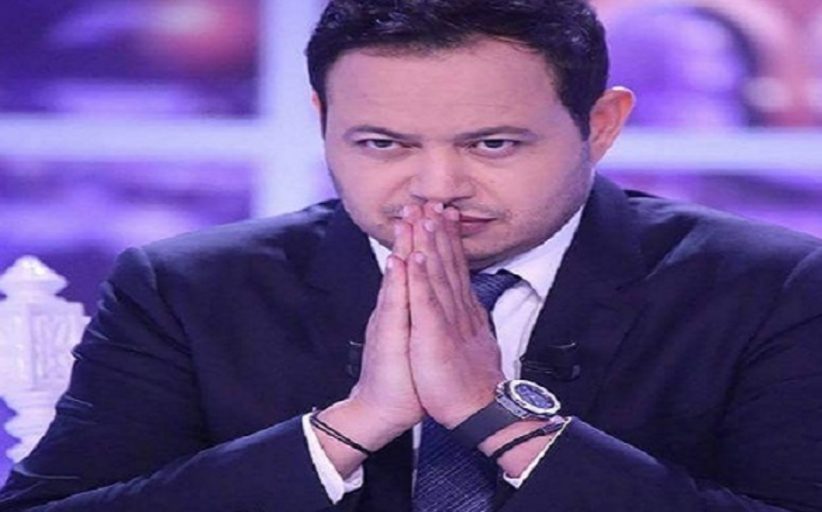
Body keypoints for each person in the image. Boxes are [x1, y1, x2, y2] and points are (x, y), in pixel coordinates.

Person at [1, 0, 821, 510]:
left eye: (492, 144)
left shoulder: (771, 287)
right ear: (322, 120)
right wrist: (353, 425)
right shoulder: (188, 288)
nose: (437, 187)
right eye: (383, 144)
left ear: (600, 125)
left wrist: (496, 420)